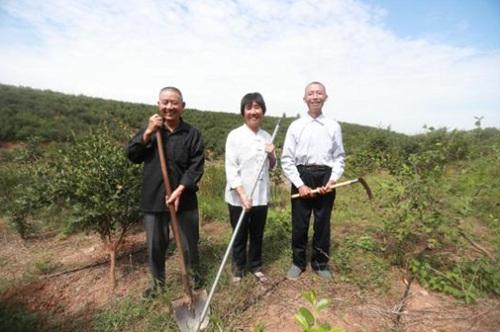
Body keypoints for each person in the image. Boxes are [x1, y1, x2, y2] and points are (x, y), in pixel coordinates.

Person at [127, 86, 204, 297]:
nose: (169, 107)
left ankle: (193, 278)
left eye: (174, 103)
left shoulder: (192, 134)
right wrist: (148, 133)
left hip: (184, 199)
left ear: (183, 107)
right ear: (158, 105)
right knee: (155, 246)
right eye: (165, 102)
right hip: (154, 199)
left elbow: (196, 166)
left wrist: (179, 191)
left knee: (188, 244)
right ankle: (157, 285)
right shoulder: (151, 131)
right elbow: (132, 155)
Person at [281, 81, 345, 280]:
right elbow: (287, 159)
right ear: (305, 99)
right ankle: (298, 262)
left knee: (322, 223)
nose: (315, 96)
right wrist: (300, 184)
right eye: (311, 93)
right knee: (300, 223)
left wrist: (333, 179)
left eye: (319, 93)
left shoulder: (333, 126)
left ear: (325, 97)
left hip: (325, 177)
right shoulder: (296, 126)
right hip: (302, 176)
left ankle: (320, 263)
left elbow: (339, 157)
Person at [224, 92, 276, 283]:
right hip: (239, 196)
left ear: (262, 111)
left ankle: (255, 265)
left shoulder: (267, 136)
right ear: (243, 111)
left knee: (257, 233)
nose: (254, 111)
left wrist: (271, 155)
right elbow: (231, 168)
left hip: (261, 196)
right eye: (249, 108)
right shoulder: (234, 136)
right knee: (239, 233)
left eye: (257, 107)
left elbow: (272, 166)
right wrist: (242, 194)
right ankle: (238, 269)